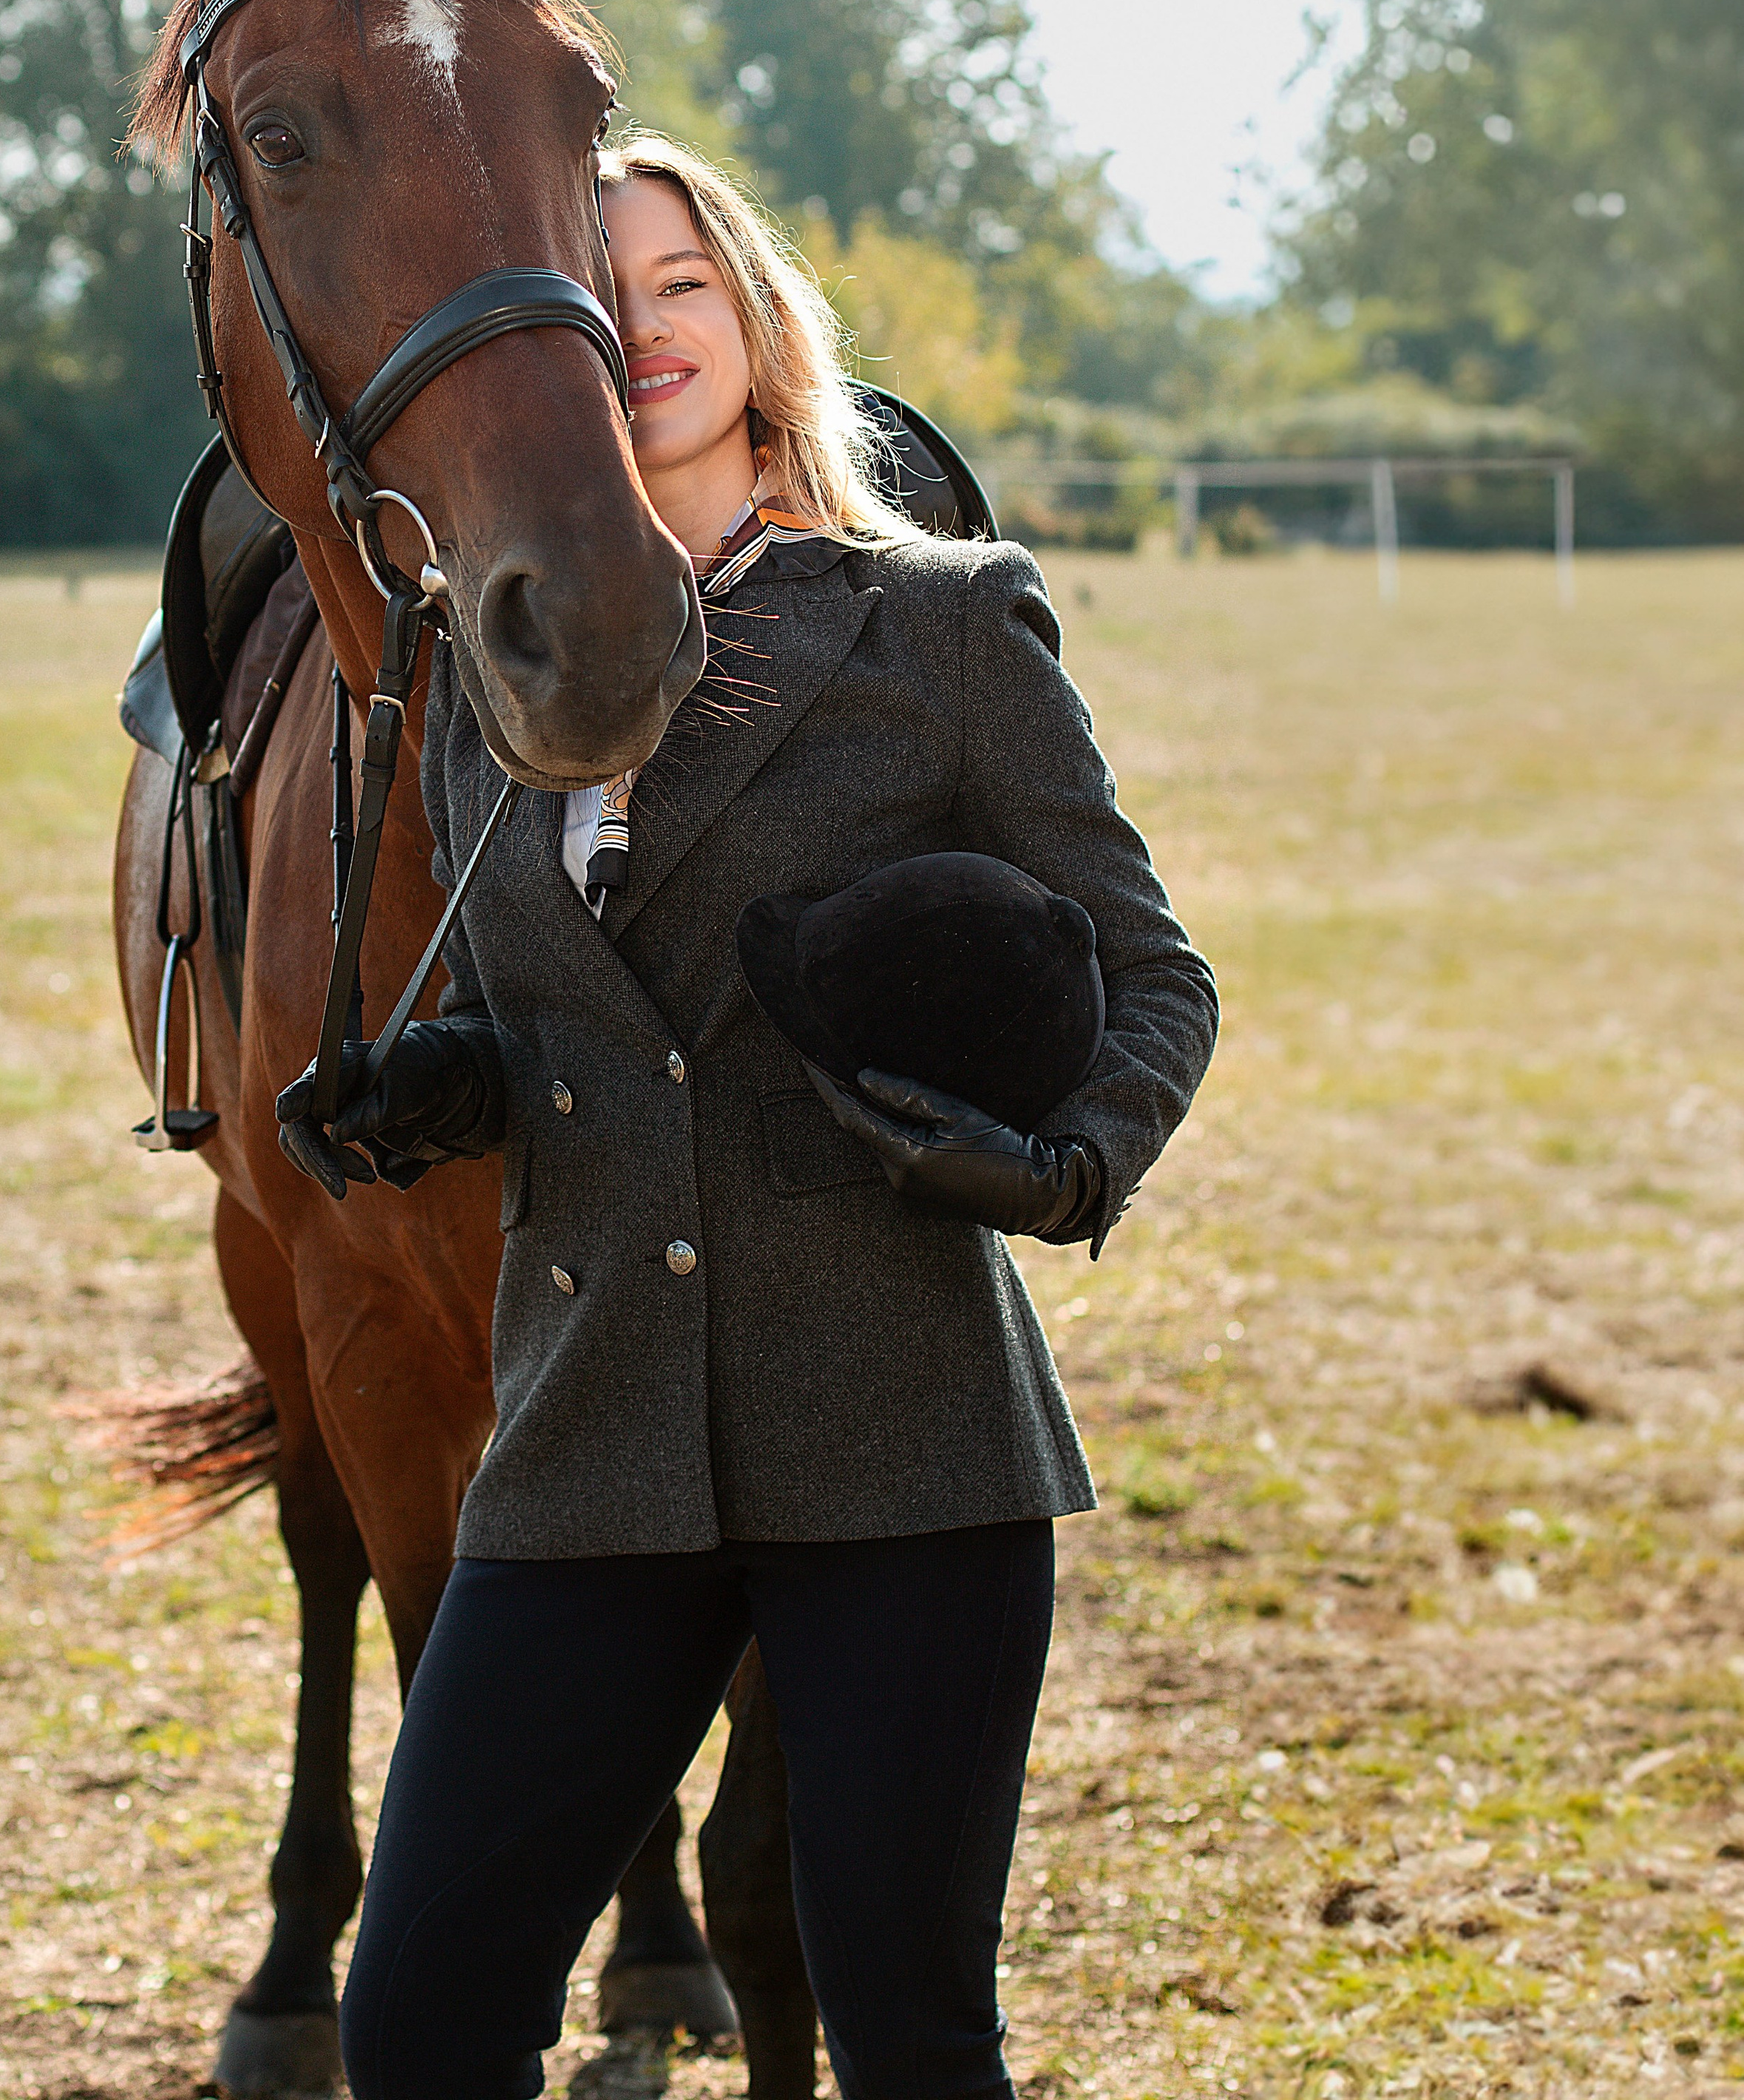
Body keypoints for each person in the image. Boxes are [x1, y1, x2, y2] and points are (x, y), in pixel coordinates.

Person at [276, 135, 1219, 2100]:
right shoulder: (484, 668)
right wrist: (442, 1081)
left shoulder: (945, 621)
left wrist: (1068, 1170)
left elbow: (1158, 974)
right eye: (592, 289)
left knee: (908, 2036)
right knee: (422, 2016)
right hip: (588, 1444)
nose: (636, 327)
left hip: (906, 1459)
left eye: (678, 285)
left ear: (761, 324)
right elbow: (543, 1009)